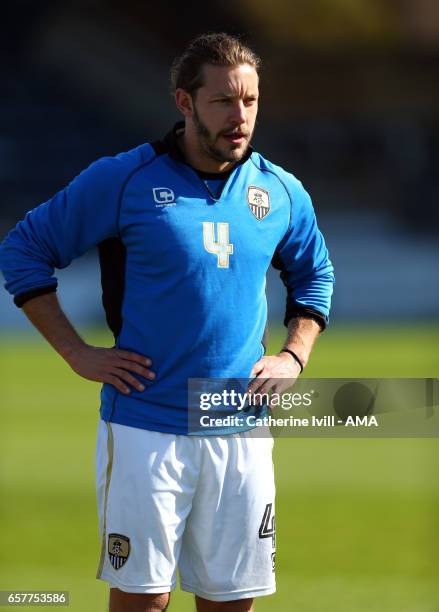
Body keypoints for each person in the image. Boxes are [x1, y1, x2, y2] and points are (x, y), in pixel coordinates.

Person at [0, 33, 334, 612]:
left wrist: (293, 353)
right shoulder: (123, 179)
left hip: (240, 429)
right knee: (143, 602)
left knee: (231, 601)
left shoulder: (280, 191)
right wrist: (78, 352)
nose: (240, 117)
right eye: (223, 102)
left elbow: (315, 275)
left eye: (250, 101)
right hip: (145, 427)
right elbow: (24, 249)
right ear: (184, 102)